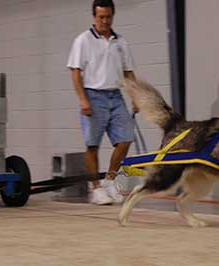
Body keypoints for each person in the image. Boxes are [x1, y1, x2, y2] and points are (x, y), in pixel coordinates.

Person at [67, 0, 138, 205]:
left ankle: (109, 181)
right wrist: (83, 99)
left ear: (113, 16)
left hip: (115, 96)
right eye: (101, 17)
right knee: (92, 145)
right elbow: (75, 72)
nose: (105, 21)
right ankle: (95, 189)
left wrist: (135, 96)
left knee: (125, 140)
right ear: (94, 17)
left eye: (108, 17)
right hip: (93, 95)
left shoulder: (120, 42)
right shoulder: (83, 40)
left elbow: (128, 72)